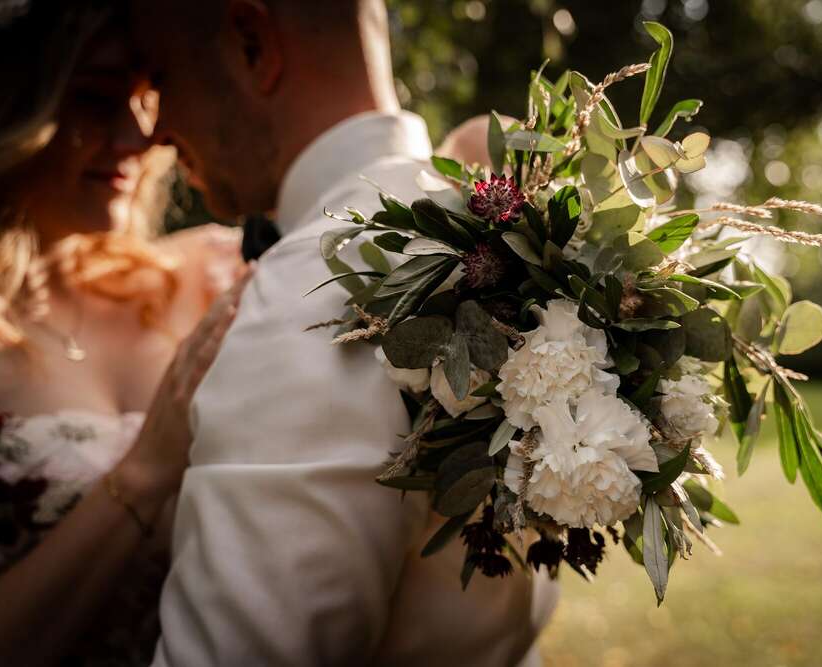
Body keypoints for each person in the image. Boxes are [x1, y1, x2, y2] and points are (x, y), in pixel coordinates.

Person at [132, 0, 558, 664]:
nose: (154, 130)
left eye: (161, 79)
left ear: (251, 44)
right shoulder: (507, 234)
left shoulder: (310, 295)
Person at [0, 2, 249, 664]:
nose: (139, 140)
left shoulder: (198, 275)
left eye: (146, 101)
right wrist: (142, 474)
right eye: (96, 99)